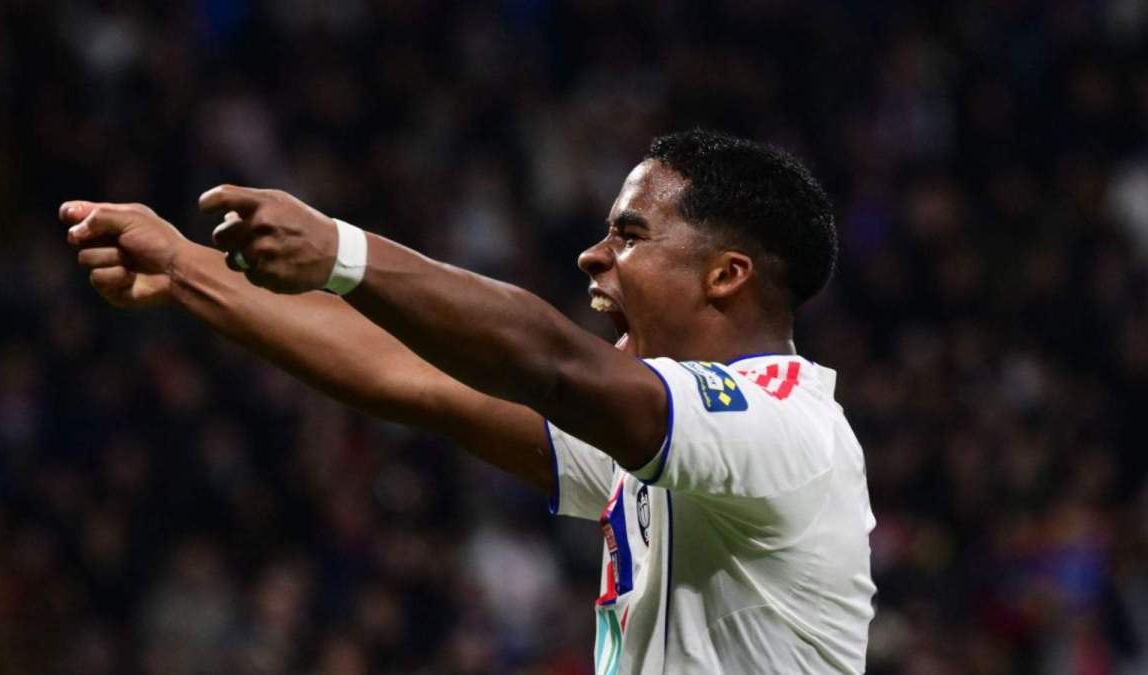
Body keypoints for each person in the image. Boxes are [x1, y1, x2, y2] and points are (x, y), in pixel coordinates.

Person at [63, 129, 876, 674]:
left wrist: (345, 252)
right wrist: (184, 271)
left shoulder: (787, 428)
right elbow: (409, 375)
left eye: (629, 235)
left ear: (725, 274)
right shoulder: (658, 434)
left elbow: (551, 363)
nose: (595, 255)